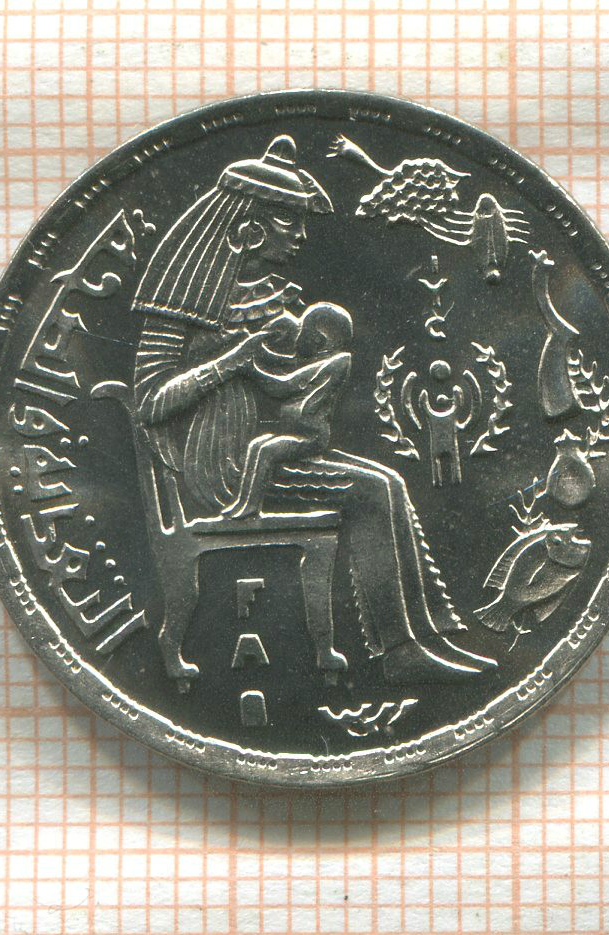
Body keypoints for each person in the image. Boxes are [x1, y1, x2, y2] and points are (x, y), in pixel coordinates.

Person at [131, 135, 495, 683]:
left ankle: (428, 634)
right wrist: (232, 361)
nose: (302, 235)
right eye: (289, 220)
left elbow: (285, 376)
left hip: (267, 452)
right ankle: (398, 650)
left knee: (389, 482)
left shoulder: (270, 295)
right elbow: (151, 405)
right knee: (371, 491)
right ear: (249, 229)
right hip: (222, 470)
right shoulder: (181, 303)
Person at [224, 301, 352, 519]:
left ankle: (251, 506)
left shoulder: (335, 364)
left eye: (302, 331)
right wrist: (257, 352)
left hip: (310, 438)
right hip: (296, 433)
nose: (297, 337)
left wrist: (250, 370)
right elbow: (286, 365)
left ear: (318, 340)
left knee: (267, 450)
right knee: (257, 445)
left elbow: (283, 386)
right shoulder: (319, 361)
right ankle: (242, 502)